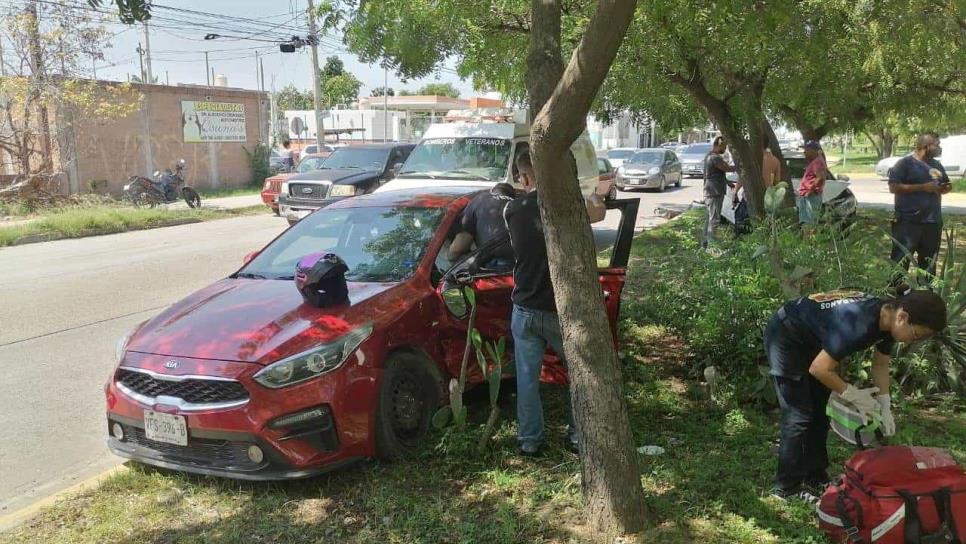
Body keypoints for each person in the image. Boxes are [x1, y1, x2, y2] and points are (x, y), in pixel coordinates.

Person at [764, 289, 946, 501]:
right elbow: (819, 369)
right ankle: (787, 488)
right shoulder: (859, 324)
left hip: (813, 339)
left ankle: (816, 476)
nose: (913, 342)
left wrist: (885, 405)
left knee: (820, 412)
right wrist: (852, 394)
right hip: (786, 334)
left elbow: (880, 363)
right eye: (916, 335)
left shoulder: (888, 318)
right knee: (799, 415)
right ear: (902, 317)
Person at [504, 151, 605, 456]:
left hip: (524, 308)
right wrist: (588, 193)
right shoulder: (566, 203)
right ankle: (577, 436)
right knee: (579, 373)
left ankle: (530, 441)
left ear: (523, 178)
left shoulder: (512, 209)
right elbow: (597, 212)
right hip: (561, 310)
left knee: (527, 378)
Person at [888, 132, 952, 287]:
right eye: (937, 144)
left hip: (932, 222)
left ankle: (925, 298)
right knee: (900, 262)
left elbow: (946, 183)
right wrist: (923, 187)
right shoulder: (905, 164)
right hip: (908, 222)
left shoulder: (936, 165)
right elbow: (893, 187)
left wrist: (946, 188)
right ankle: (896, 298)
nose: (939, 148)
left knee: (929, 264)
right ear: (926, 146)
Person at [447, 182, 517, 268]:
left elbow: (457, 250)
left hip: (492, 266)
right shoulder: (519, 205)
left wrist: (449, 259)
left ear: (491, 191)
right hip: (520, 265)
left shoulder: (480, 200)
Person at [702, 136, 737, 248]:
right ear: (719, 144)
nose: (725, 149)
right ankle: (712, 246)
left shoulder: (710, 156)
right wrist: (740, 165)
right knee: (715, 219)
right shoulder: (714, 157)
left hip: (712, 190)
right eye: (724, 146)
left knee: (710, 218)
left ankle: (705, 243)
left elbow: (717, 173)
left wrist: (727, 182)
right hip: (714, 191)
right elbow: (726, 168)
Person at [797, 141, 827, 227]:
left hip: (811, 197)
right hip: (808, 196)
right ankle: (807, 240)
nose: (804, 152)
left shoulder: (817, 162)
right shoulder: (815, 162)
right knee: (807, 223)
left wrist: (809, 191)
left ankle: (808, 240)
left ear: (813, 150)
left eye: (806, 150)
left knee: (809, 224)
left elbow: (819, 177)